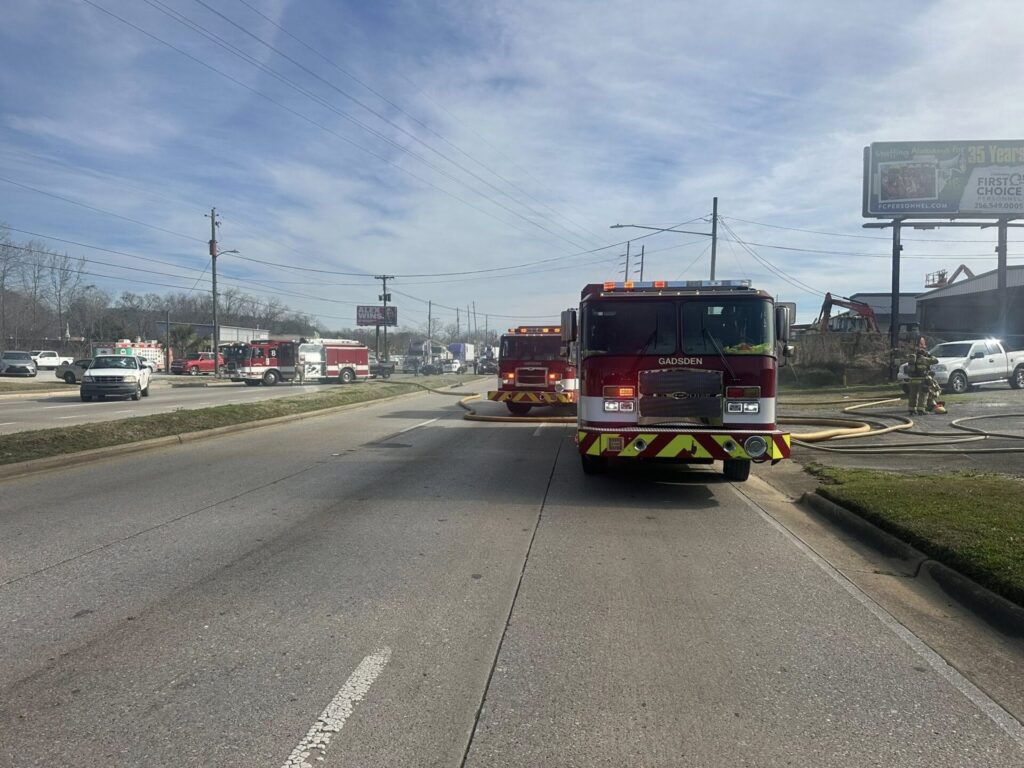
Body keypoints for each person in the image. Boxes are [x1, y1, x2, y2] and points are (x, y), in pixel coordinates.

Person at [906, 336, 938, 416]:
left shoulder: (912, 357)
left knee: (912, 395)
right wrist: (929, 355)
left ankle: (911, 409)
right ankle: (921, 410)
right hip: (922, 379)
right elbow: (935, 360)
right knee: (923, 395)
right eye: (923, 343)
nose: (925, 345)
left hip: (913, 379)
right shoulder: (924, 358)